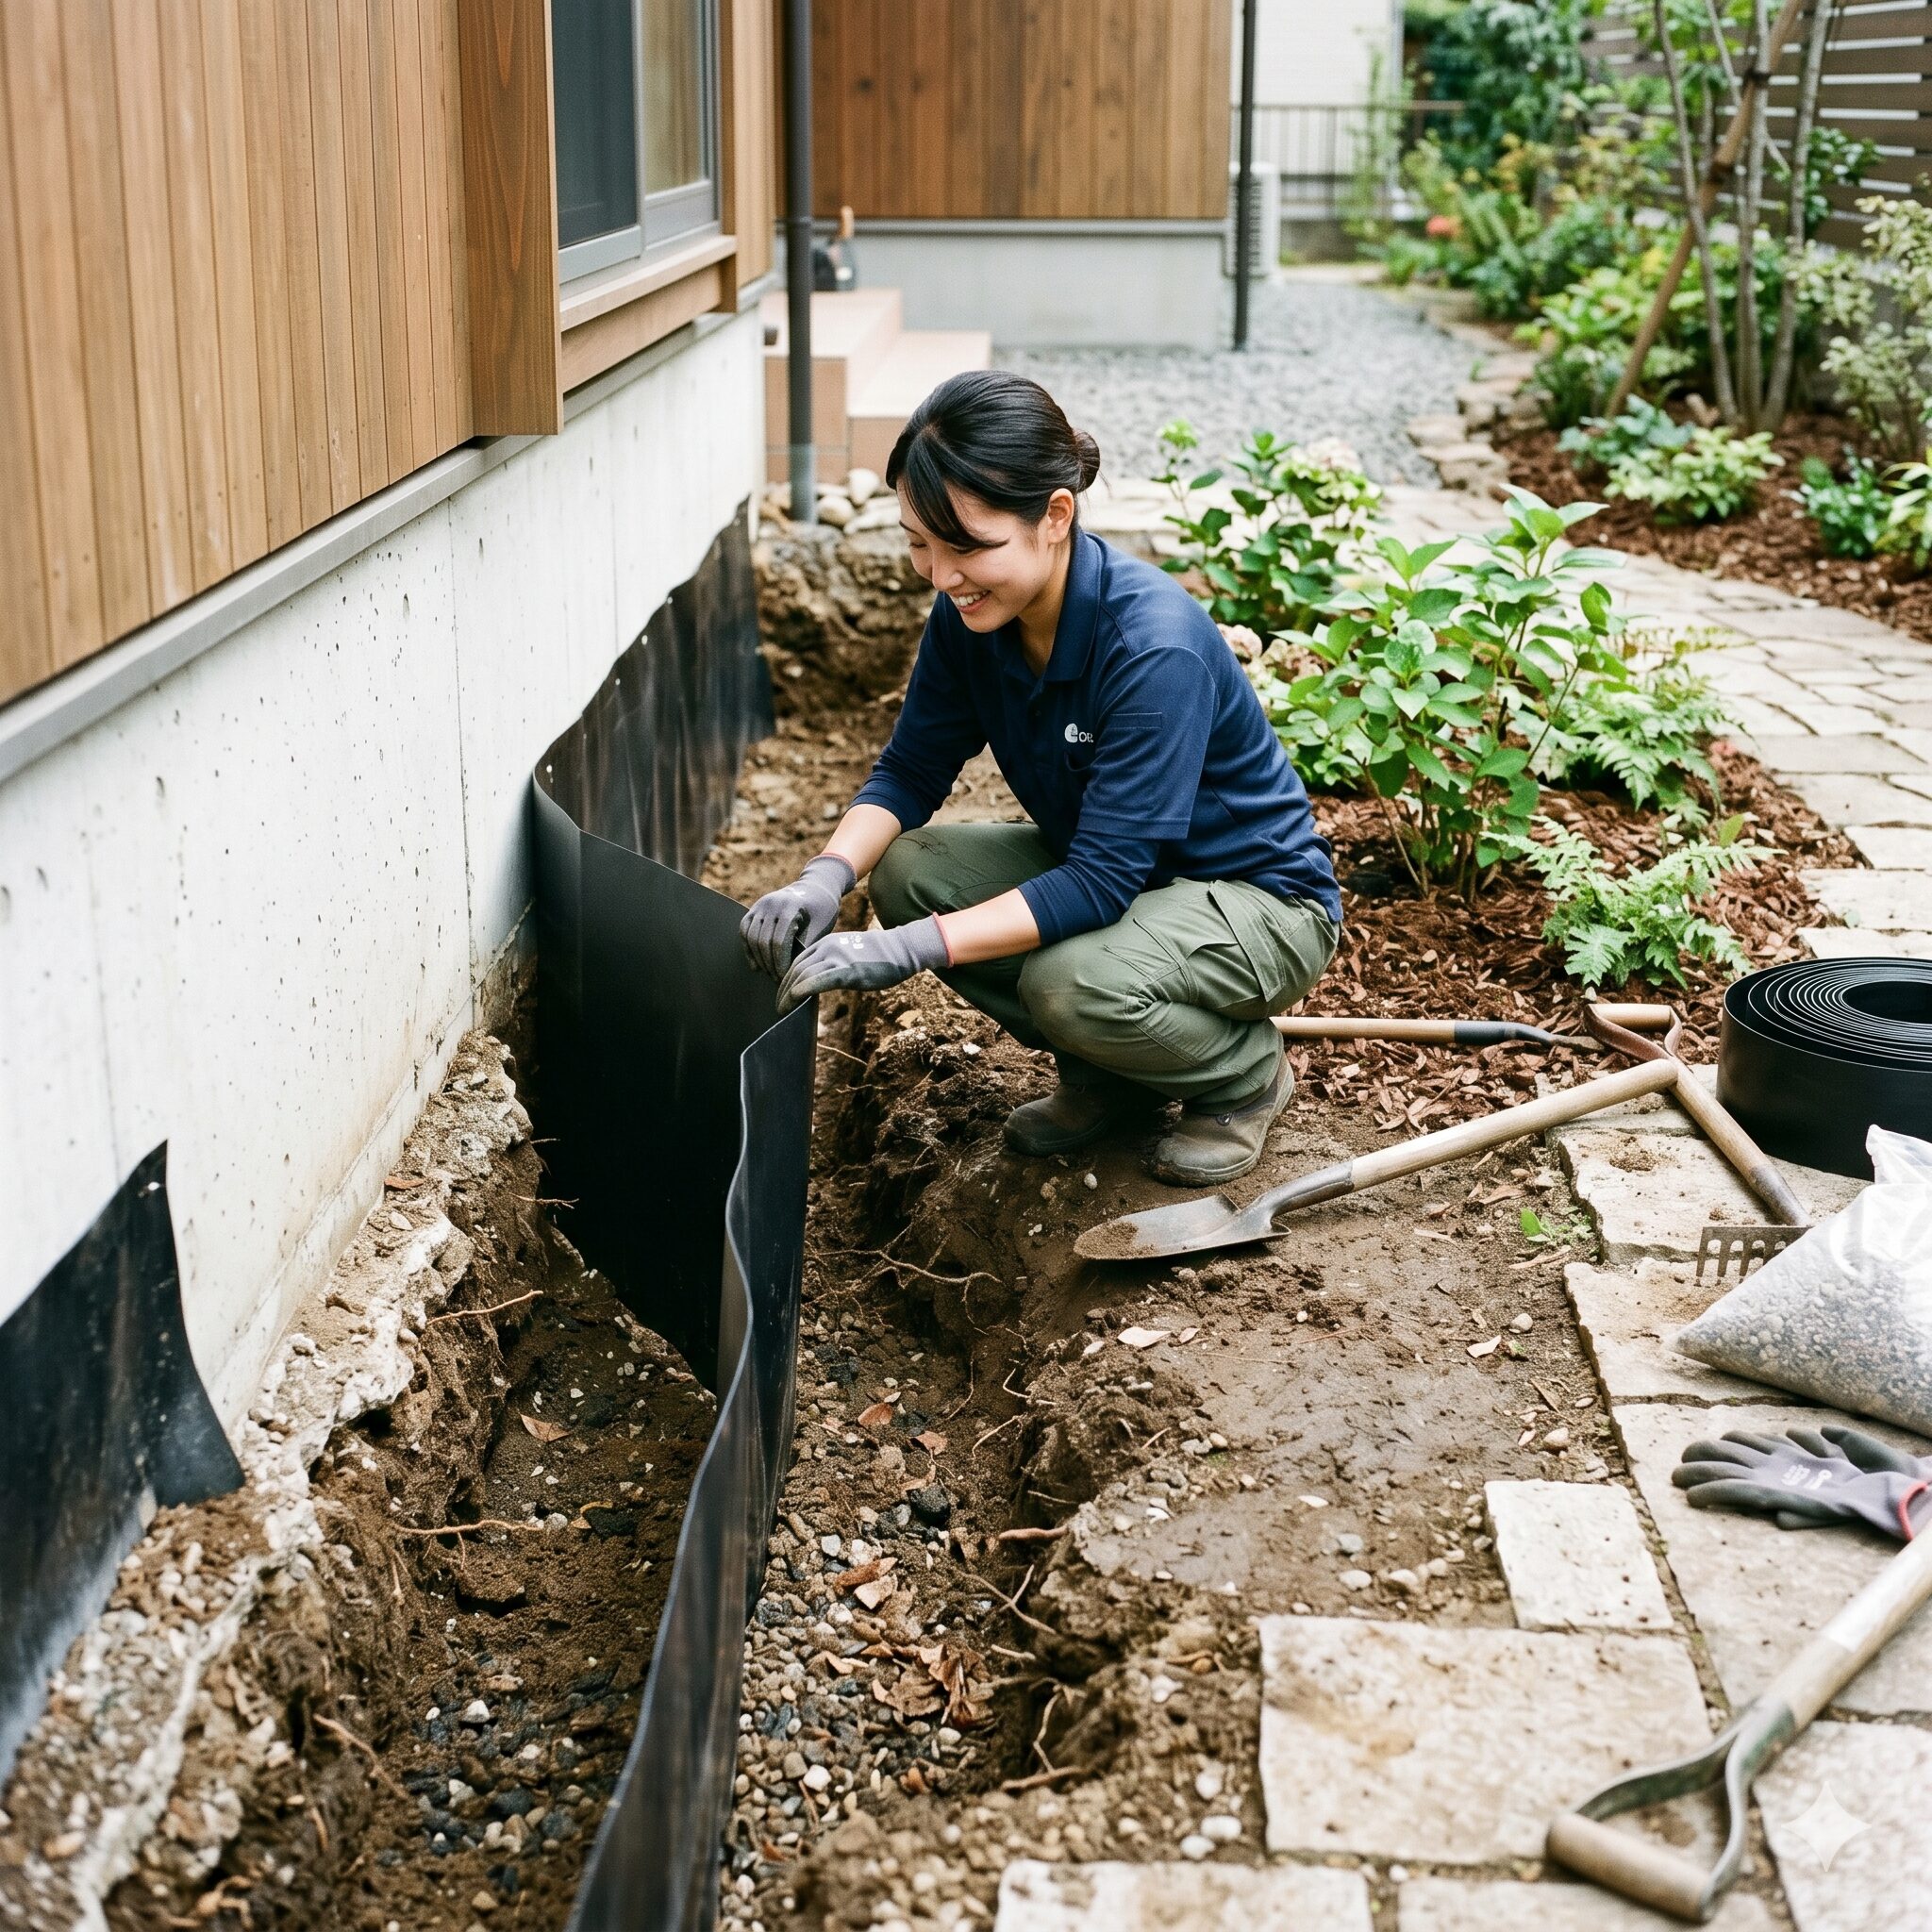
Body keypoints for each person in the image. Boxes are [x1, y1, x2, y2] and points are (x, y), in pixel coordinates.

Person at [741, 371, 1341, 1186]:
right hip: (1131, 885)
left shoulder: (1149, 646)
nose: (940, 575)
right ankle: (1115, 1076)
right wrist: (823, 876)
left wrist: (907, 952)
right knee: (912, 872)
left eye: (968, 545)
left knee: (1071, 983)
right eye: (920, 542)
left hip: (1256, 903)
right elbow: (912, 768)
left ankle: (1241, 1078)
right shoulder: (972, 617)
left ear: (1054, 516)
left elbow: (1097, 881)